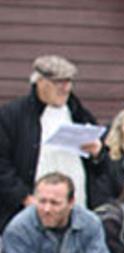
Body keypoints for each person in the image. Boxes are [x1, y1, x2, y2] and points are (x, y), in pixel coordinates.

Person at [0, 55, 104, 232]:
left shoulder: (78, 113)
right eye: (59, 83)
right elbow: (2, 164)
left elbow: (102, 163)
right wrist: (23, 197)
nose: (65, 88)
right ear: (40, 82)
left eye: (69, 82)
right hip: (31, 210)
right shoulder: (12, 115)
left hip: (75, 207)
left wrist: (97, 152)